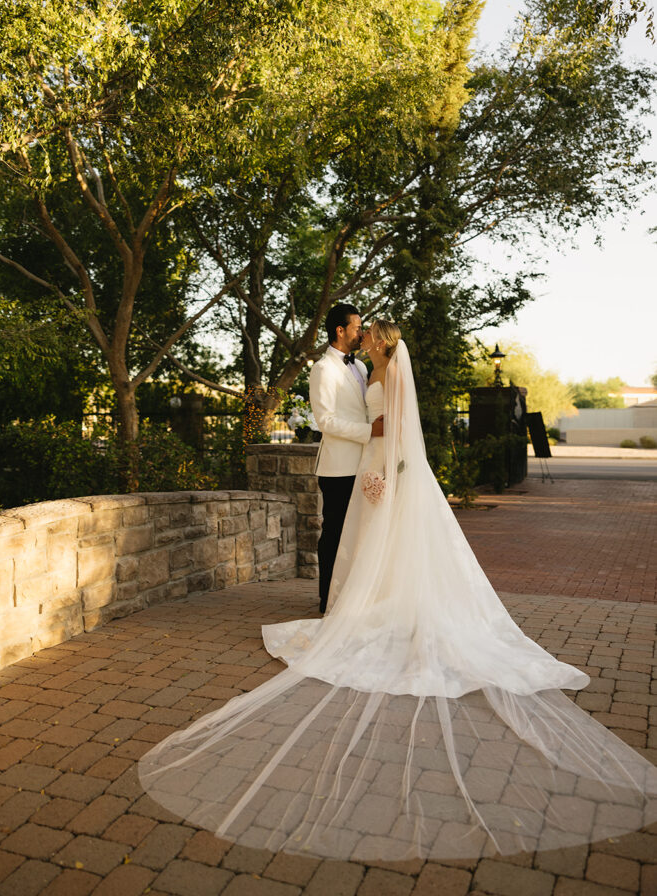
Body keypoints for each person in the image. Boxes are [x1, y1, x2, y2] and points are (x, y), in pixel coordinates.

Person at [139, 320, 657, 862]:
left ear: (380, 342)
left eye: (368, 334)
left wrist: (387, 467)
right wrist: (373, 453)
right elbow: (356, 419)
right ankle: (356, 604)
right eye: (357, 331)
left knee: (376, 542)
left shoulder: (383, 368)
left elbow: (401, 426)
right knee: (354, 543)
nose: (362, 338)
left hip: (385, 465)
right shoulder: (359, 367)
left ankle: (374, 607)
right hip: (364, 462)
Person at [308, 303, 383, 612]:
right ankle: (327, 599)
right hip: (337, 467)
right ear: (340, 331)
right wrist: (369, 432)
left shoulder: (362, 367)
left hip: (364, 464)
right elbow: (325, 422)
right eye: (356, 328)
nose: (361, 333)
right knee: (334, 533)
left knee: (357, 533)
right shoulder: (322, 369)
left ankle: (351, 597)